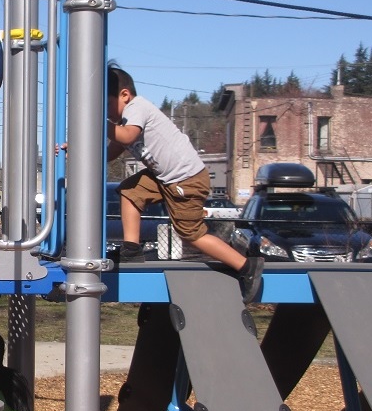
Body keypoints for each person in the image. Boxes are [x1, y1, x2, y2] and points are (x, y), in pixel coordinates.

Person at [105, 65, 263, 303]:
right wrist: (74, 150)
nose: (105, 112)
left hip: (185, 179)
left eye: (105, 104)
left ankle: (246, 266)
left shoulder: (137, 108)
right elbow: (113, 149)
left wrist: (96, 122)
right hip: (163, 177)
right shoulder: (124, 121)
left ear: (125, 95)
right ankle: (131, 249)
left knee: (190, 233)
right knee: (130, 191)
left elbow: (125, 137)